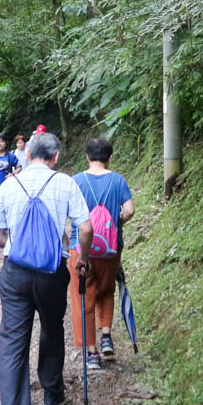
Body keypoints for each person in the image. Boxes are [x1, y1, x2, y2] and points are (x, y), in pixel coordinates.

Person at [0, 132, 92, 405]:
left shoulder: (10, 185)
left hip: (15, 273)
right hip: (52, 271)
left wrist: (21, 245)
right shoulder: (65, 183)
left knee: (12, 339)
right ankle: (52, 394)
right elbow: (85, 229)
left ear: (28, 153)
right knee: (51, 327)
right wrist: (82, 259)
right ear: (56, 157)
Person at [67, 137, 134, 371]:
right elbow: (129, 210)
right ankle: (107, 337)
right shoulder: (118, 180)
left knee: (84, 297)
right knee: (106, 291)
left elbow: (68, 214)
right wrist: (114, 223)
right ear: (109, 157)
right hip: (110, 249)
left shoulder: (76, 181)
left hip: (81, 248)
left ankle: (92, 353)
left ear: (87, 156)